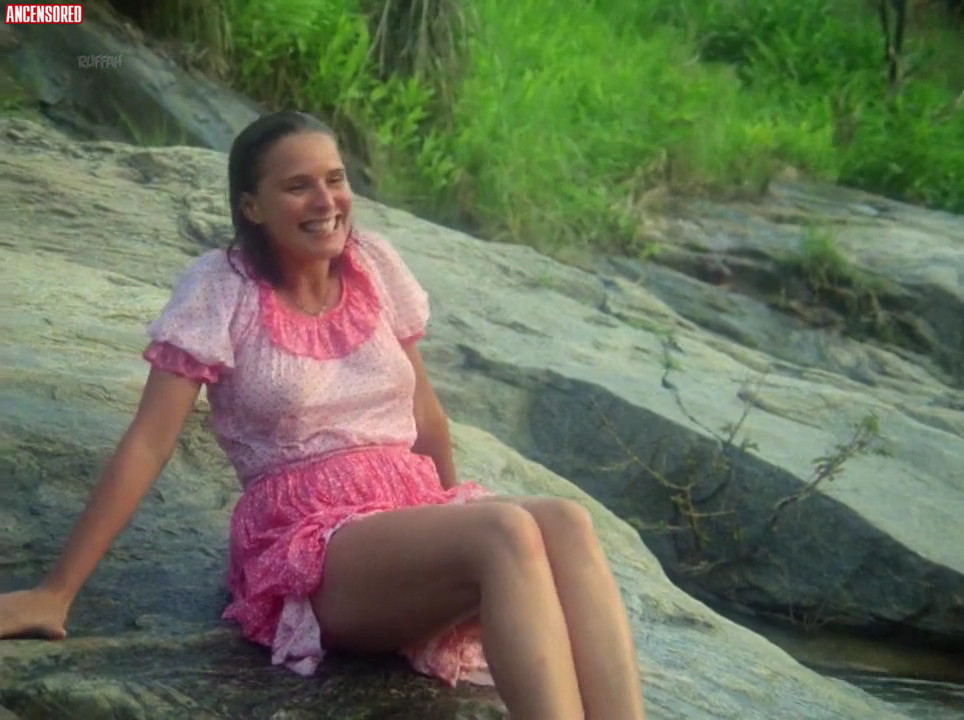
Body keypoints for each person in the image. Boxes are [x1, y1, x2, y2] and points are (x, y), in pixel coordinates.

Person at [0, 111, 645, 719]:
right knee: (504, 530)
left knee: (563, 522)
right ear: (251, 207)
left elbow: (425, 413)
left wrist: (451, 526)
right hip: (308, 544)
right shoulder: (220, 289)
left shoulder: (374, 265)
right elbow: (148, 443)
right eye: (297, 186)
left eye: (335, 179)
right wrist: (57, 591)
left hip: (404, 515)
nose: (326, 201)